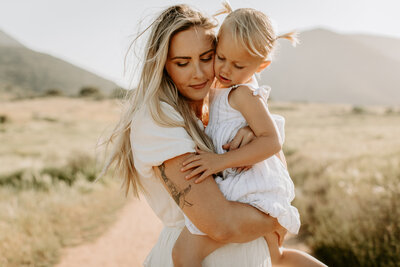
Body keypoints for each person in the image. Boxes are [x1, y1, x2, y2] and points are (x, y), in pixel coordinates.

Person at [99, 4, 288, 267]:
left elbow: (276, 169)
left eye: (207, 57)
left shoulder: (224, 104)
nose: (198, 73)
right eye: (182, 63)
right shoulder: (158, 119)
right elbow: (220, 225)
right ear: (163, 65)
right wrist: (277, 218)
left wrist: (250, 130)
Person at [172, 3, 327, 267]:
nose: (225, 70)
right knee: (276, 255)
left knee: (185, 253)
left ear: (260, 66)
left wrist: (217, 162)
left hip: (246, 186)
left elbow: (271, 140)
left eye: (238, 65)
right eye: (220, 57)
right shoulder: (223, 88)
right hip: (242, 182)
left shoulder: (242, 93)